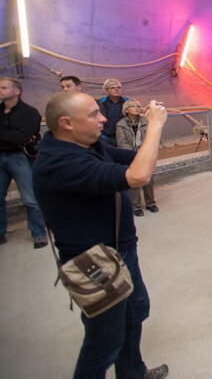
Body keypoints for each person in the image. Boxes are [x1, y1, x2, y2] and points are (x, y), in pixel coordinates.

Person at [33, 92, 169, 379]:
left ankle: (132, 372)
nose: (103, 118)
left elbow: (138, 159)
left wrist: (148, 131)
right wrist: (154, 126)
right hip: (93, 261)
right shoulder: (59, 162)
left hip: (120, 248)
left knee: (135, 313)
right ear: (66, 123)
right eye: (94, 114)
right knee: (105, 341)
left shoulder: (91, 145)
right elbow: (138, 176)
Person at [0, 77, 47, 248]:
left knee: (30, 198)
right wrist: (9, 135)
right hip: (1, 156)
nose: (0, 90)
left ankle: (38, 233)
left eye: (4, 88)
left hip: (19, 157)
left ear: (16, 91)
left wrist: (7, 135)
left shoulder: (29, 113)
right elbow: (14, 136)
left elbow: (21, 138)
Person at [116, 100, 159, 216]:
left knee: (149, 180)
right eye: (132, 106)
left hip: (145, 155)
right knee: (134, 181)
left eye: (138, 106)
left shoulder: (146, 121)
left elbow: (151, 137)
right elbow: (122, 142)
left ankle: (151, 203)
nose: (136, 108)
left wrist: (145, 150)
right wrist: (134, 153)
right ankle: (136, 207)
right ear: (126, 110)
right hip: (131, 155)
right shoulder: (120, 124)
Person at [96, 79, 129, 146]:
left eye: (119, 87)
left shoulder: (128, 102)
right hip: (104, 137)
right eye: (113, 88)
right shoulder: (100, 102)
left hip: (124, 137)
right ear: (107, 90)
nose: (116, 89)